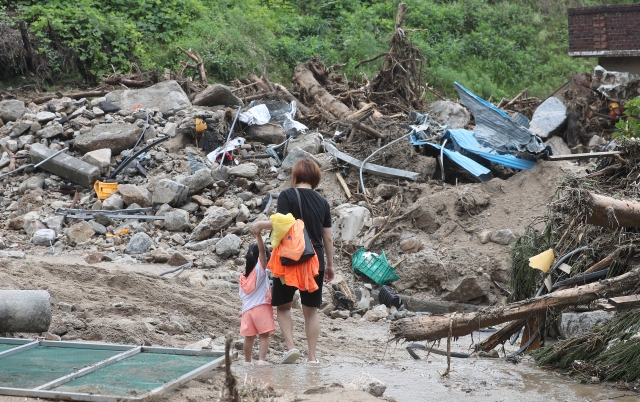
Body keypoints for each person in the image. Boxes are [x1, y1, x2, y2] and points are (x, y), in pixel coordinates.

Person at [252, 158, 335, 364]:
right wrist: (330, 265)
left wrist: (261, 224)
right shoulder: (323, 203)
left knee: (283, 307)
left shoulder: (288, 195)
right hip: (314, 260)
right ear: (315, 178)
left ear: (295, 176)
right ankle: (312, 357)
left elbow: (281, 224)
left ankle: (291, 347)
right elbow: (328, 237)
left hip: (288, 261)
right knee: (311, 312)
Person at [238, 233, 274, 366]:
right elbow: (263, 251)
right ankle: (261, 361)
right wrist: (258, 235)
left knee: (249, 337)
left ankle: (247, 362)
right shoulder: (260, 269)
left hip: (247, 311)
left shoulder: (243, 276)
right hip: (261, 308)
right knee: (264, 335)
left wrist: (243, 311)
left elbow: (243, 296)